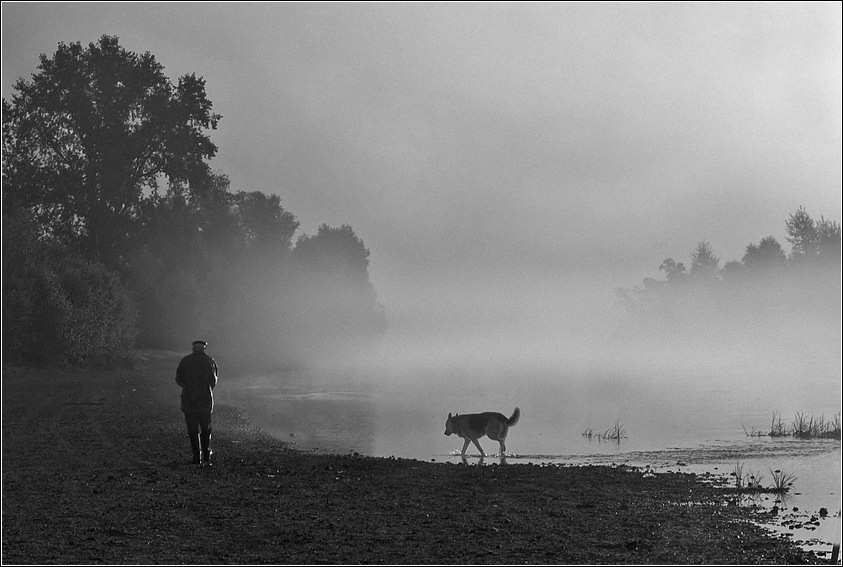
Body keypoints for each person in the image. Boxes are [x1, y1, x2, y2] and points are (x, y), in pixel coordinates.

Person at [175, 340, 219, 465]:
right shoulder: (210, 361)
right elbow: (213, 380)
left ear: (193, 348)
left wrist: (188, 386)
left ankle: (196, 456)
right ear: (204, 349)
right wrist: (206, 388)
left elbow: (179, 379)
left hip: (189, 399)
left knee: (192, 428)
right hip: (205, 399)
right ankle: (206, 454)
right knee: (206, 427)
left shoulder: (185, 361)